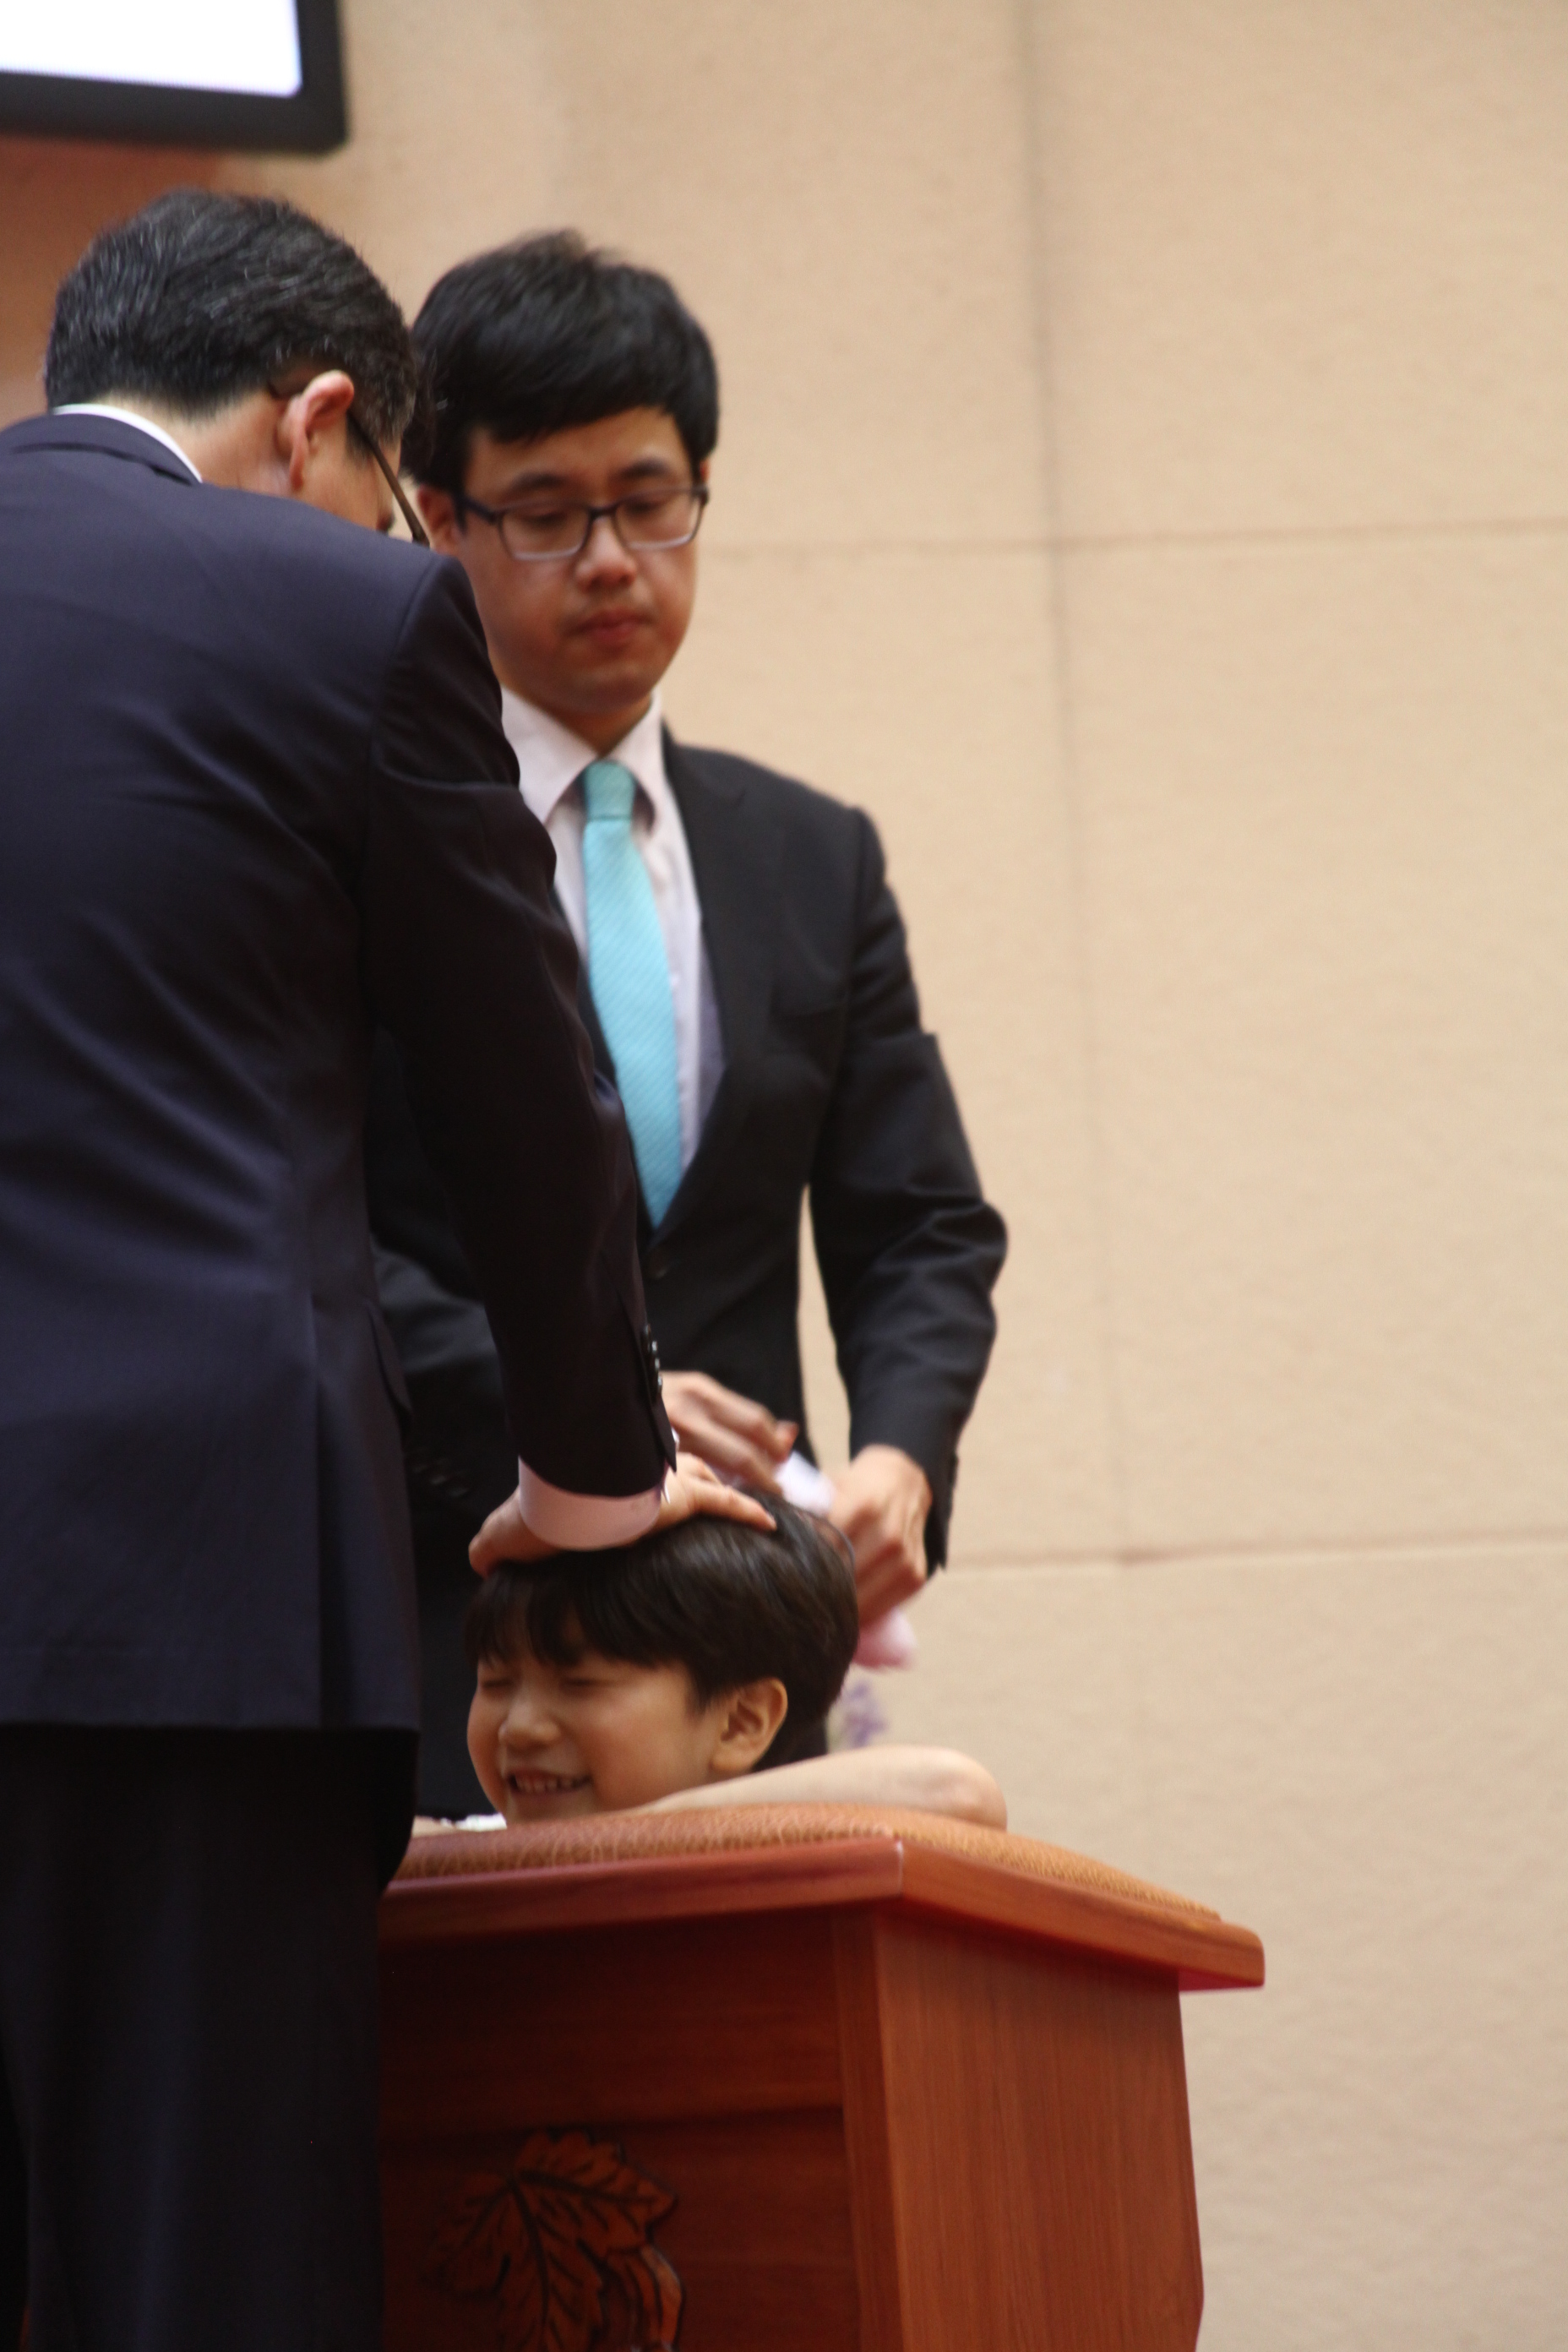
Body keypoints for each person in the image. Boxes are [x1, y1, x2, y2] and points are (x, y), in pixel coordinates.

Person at [0, 190, 766, 2352]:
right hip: (181, 1591)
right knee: (201, 2260)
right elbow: (525, 1095)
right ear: (321, 417)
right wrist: (591, 1480)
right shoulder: (337, 612)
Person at [366, 231, 1009, 1812]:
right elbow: (299, 1224)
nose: (610, 559)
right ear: (441, 519)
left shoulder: (812, 852)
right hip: (451, 1621)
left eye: (650, 501)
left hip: (735, 1657)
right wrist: (576, 1397)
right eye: (544, 512)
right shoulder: (352, 843)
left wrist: (900, 1460)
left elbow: (920, 1224)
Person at [455, 1502, 1006, 1829]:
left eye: (580, 1684)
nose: (519, 1727)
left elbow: (956, 1794)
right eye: (495, 1682)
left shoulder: (782, 1851)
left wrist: (620, 1838)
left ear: (741, 1721)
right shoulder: (466, 1852)